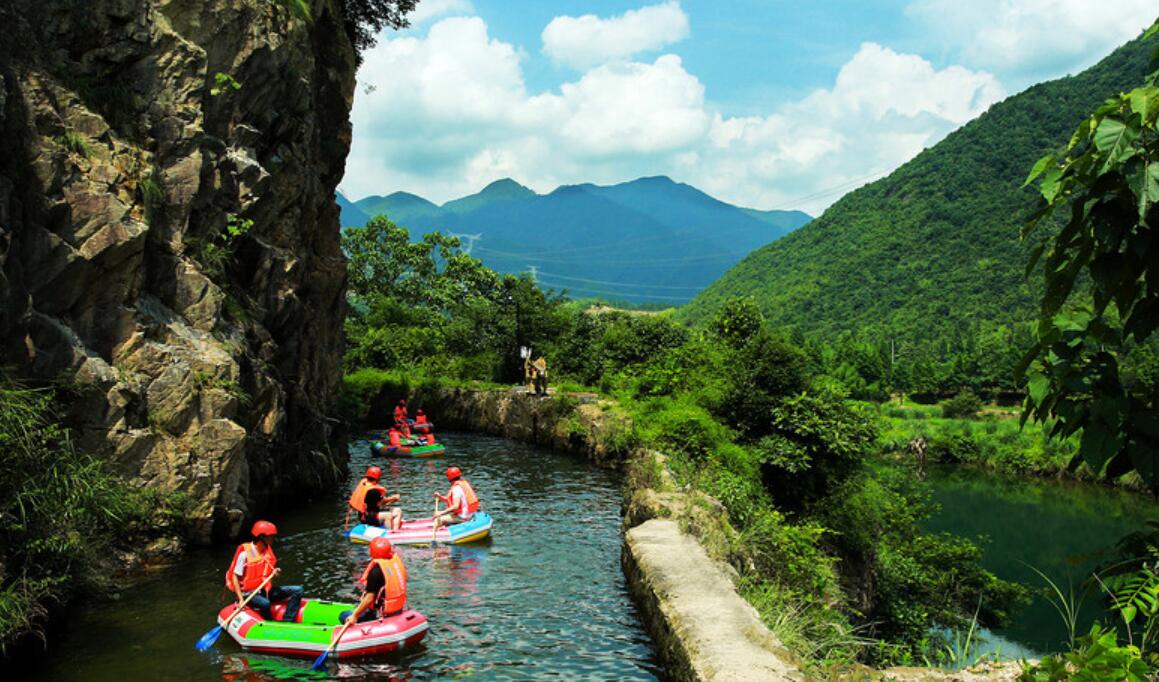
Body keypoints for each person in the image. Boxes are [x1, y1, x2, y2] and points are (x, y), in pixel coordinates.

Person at [225, 520, 303, 622]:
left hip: (263, 590)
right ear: (261, 537)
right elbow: (235, 576)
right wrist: (240, 599)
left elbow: (266, 572)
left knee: (298, 590)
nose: (273, 538)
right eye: (270, 536)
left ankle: (288, 620)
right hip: (248, 594)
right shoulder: (244, 555)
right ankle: (269, 624)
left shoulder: (266, 552)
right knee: (265, 603)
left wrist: (274, 571)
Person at [340, 537, 407, 625]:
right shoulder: (395, 565)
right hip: (397, 609)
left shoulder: (375, 571)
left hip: (380, 614)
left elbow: (369, 598)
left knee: (343, 615)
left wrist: (354, 616)